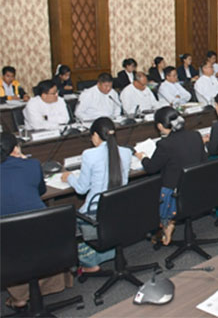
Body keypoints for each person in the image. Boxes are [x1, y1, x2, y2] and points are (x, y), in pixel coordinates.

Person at [1, 133, 72, 309]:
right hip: (42, 232)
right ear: (16, 148)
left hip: (7, 240)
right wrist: (24, 161)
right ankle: (48, 287)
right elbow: (40, 190)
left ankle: (20, 297)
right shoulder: (32, 165)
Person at [62, 117, 132, 272]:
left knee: (65, 222)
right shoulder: (126, 152)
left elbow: (81, 189)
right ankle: (111, 252)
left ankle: (89, 261)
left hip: (95, 212)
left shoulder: (89, 155)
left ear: (95, 135)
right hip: (118, 208)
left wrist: (70, 178)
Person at [135, 107, 207, 245]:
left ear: (160, 126)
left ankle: (166, 223)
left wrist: (142, 157)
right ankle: (169, 222)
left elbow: (151, 168)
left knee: (148, 186)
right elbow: (204, 161)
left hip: (175, 194)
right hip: (197, 188)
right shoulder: (196, 135)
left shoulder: (165, 144)